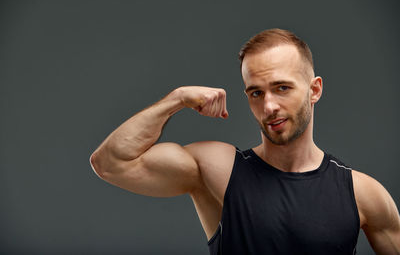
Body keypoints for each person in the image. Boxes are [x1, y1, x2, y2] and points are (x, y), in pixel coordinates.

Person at [89, 28, 400, 254]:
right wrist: (177, 98)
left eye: (282, 88)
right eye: (256, 92)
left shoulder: (362, 193)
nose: (268, 107)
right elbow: (111, 163)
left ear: (314, 90)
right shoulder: (218, 169)